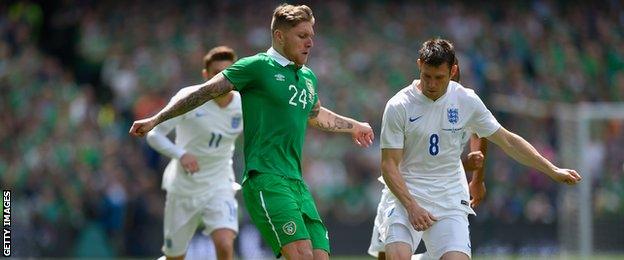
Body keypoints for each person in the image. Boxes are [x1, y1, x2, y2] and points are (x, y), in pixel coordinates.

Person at [129, 4, 374, 260]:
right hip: (266, 177)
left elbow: (315, 114)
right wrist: (157, 119)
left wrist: (353, 126)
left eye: (311, 35)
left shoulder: (308, 77)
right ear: (279, 36)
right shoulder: (257, 66)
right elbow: (205, 91)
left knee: (320, 256)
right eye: (302, 36)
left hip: (296, 182)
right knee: (302, 255)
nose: (310, 42)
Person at [379, 38, 581, 260]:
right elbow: (389, 165)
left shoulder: (466, 100)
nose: (432, 84)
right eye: (427, 76)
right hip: (406, 193)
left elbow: (508, 141)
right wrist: (411, 206)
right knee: (397, 256)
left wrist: (552, 170)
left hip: (448, 196)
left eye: (439, 77)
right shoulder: (399, 106)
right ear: (419, 65)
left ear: (453, 70)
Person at [369, 60, 489, 260]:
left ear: (453, 75)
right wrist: (467, 166)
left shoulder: (464, 102)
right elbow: (422, 159)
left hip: (445, 191)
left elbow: (482, 133)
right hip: (403, 185)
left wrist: (477, 178)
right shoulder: (408, 104)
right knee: (387, 253)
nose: (436, 86)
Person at [146, 46, 242, 260]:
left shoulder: (244, 104)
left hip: (220, 184)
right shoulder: (188, 98)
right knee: (175, 257)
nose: (222, 79)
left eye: (227, 73)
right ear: (206, 76)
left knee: (225, 244)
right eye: (216, 73)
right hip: (184, 188)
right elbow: (154, 134)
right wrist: (180, 154)